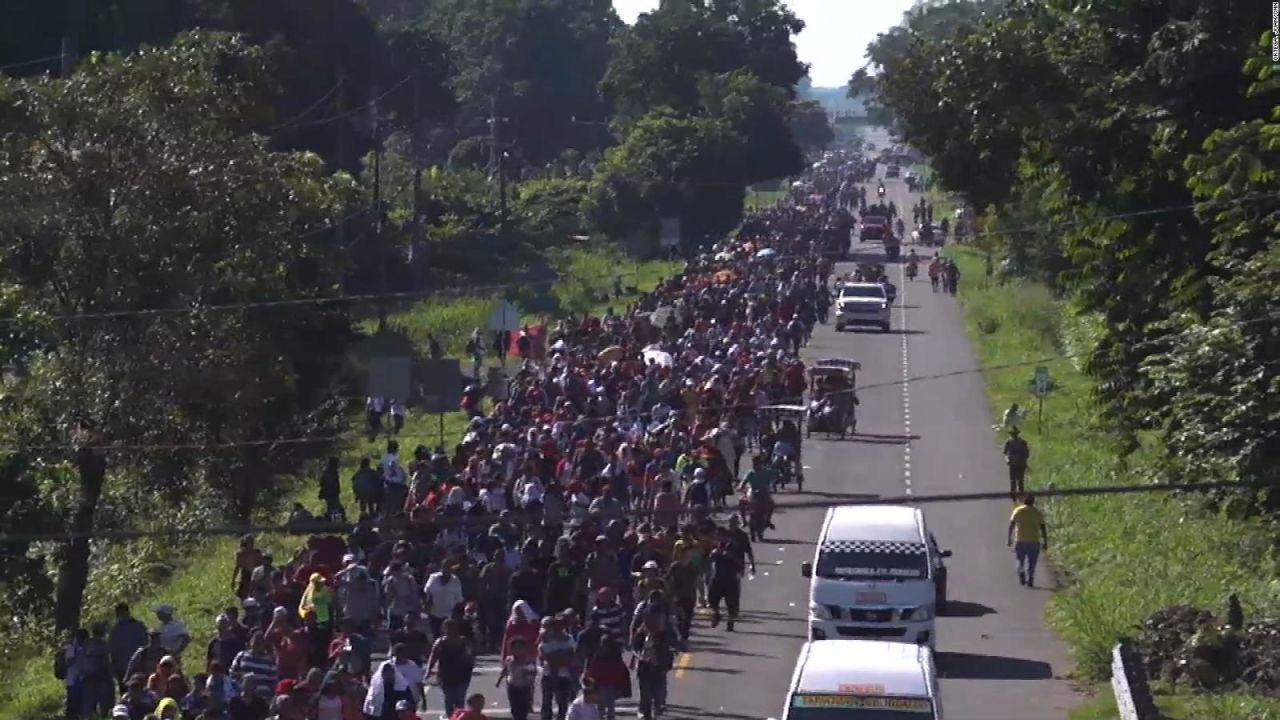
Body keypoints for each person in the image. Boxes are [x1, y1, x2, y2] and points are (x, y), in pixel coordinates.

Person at [1007, 494, 1049, 587]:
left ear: (1024, 501)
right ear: (1033, 502)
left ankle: (1021, 572)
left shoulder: (1018, 511)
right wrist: (1045, 541)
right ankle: (1030, 578)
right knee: (1032, 563)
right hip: (1034, 541)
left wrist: (1009, 538)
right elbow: (1043, 527)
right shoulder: (1037, 512)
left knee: (1020, 560)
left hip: (1020, 540)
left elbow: (1012, 525)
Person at [1002, 428, 1030, 497]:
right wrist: (1007, 460)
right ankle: (1016, 495)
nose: (1014, 435)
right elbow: (1005, 453)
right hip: (1015, 463)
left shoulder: (1021, 442)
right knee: (1015, 480)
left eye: (1014, 434)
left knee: (1018, 480)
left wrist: (1008, 460)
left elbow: (1026, 454)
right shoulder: (1010, 442)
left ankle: (1019, 494)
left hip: (1018, 463)